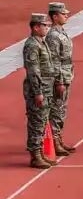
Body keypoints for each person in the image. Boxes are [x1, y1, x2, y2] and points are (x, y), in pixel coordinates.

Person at [23, 13, 58, 169]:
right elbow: (33, 71)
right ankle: (35, 155)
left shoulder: (41, 43)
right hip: (38, 90)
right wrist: (38, 92)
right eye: (45, 25)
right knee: (36, 122)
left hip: (46, 88)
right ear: (36, 27)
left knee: (43, 121)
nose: (47, 28)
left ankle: (40, 153)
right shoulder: (32, 45)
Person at [45, 2, 77, 156]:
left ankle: (58, 138)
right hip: (60, 77)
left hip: (66, 74)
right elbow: (55, 60)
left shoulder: (61, 32)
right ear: (55, 16)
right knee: (57, 109)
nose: (66, 16)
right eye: (63, 14)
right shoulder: (53, 36)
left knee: (61, 109)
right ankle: (54, 141)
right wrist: (59, 81)